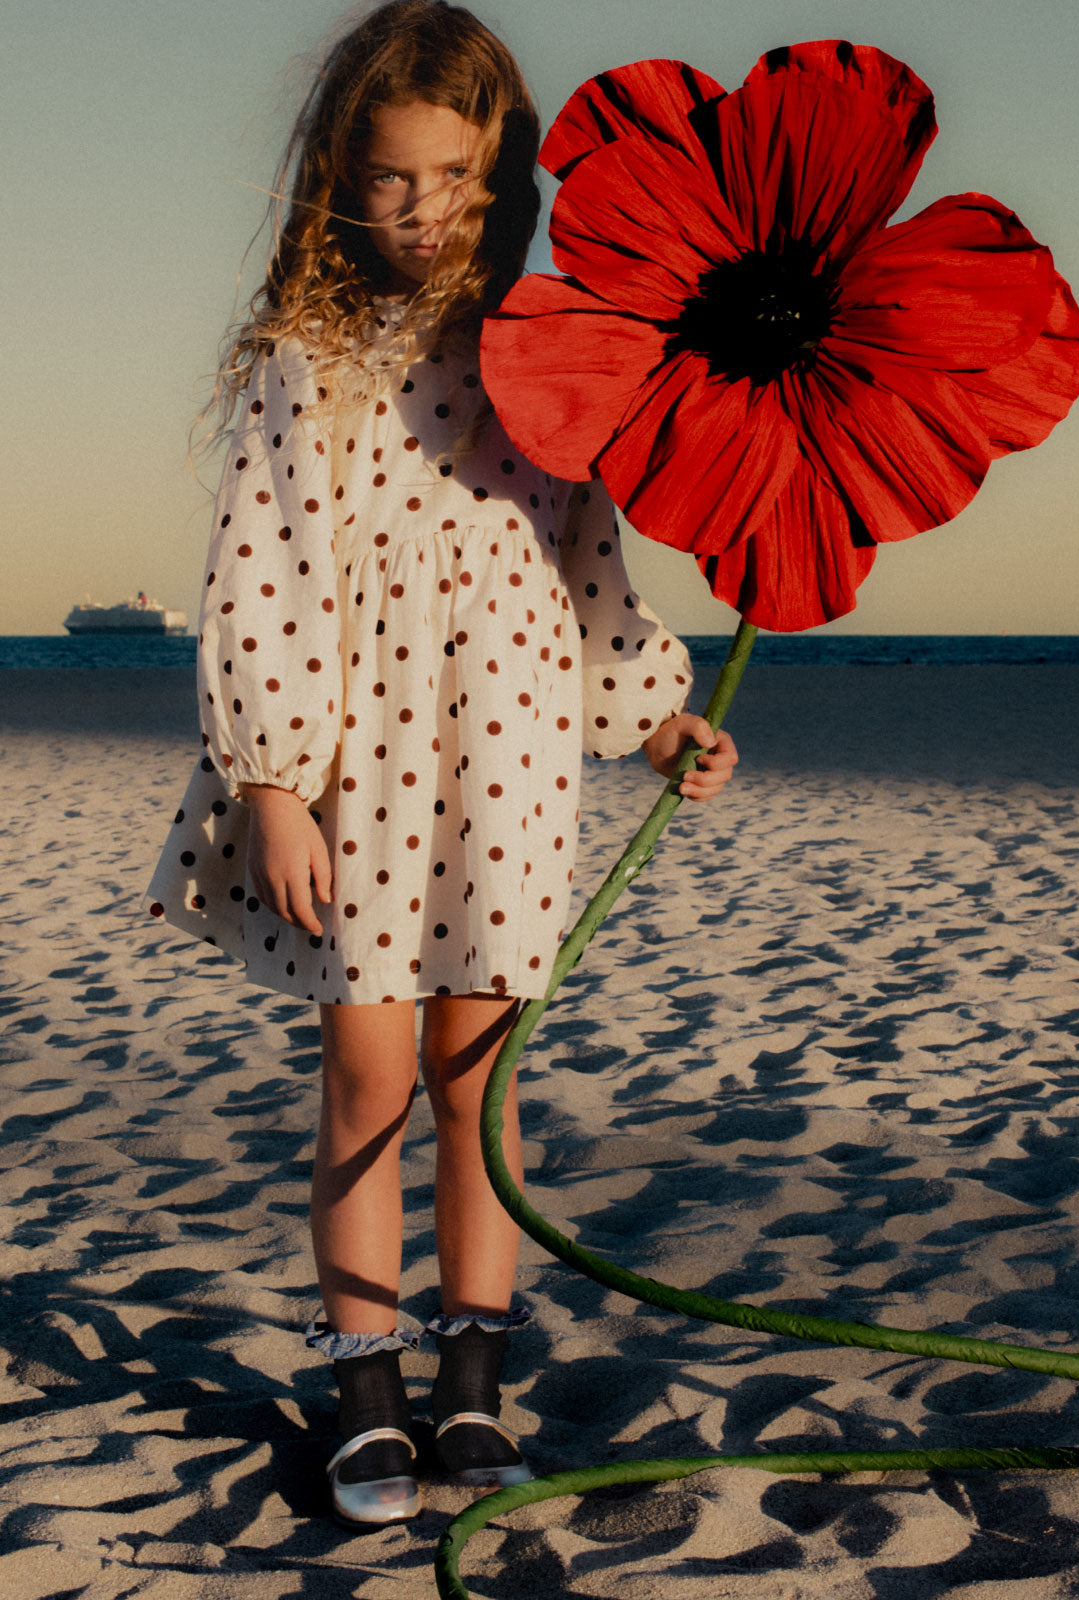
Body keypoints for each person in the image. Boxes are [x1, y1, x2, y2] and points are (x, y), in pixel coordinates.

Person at [145, 0, 738, 1526]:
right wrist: (271, 780)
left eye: (457, 176)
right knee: (369, 1078)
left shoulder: (555, 346)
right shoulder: (308, 353)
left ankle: (473, 1394)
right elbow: (262, 569)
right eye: (392, 178)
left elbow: (587, 558)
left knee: (482, 1082)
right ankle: (365, 1387)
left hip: (519, 743)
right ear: (341, 173)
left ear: (509, 169)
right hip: (362, 761)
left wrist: (656, 710)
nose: (424, 212)